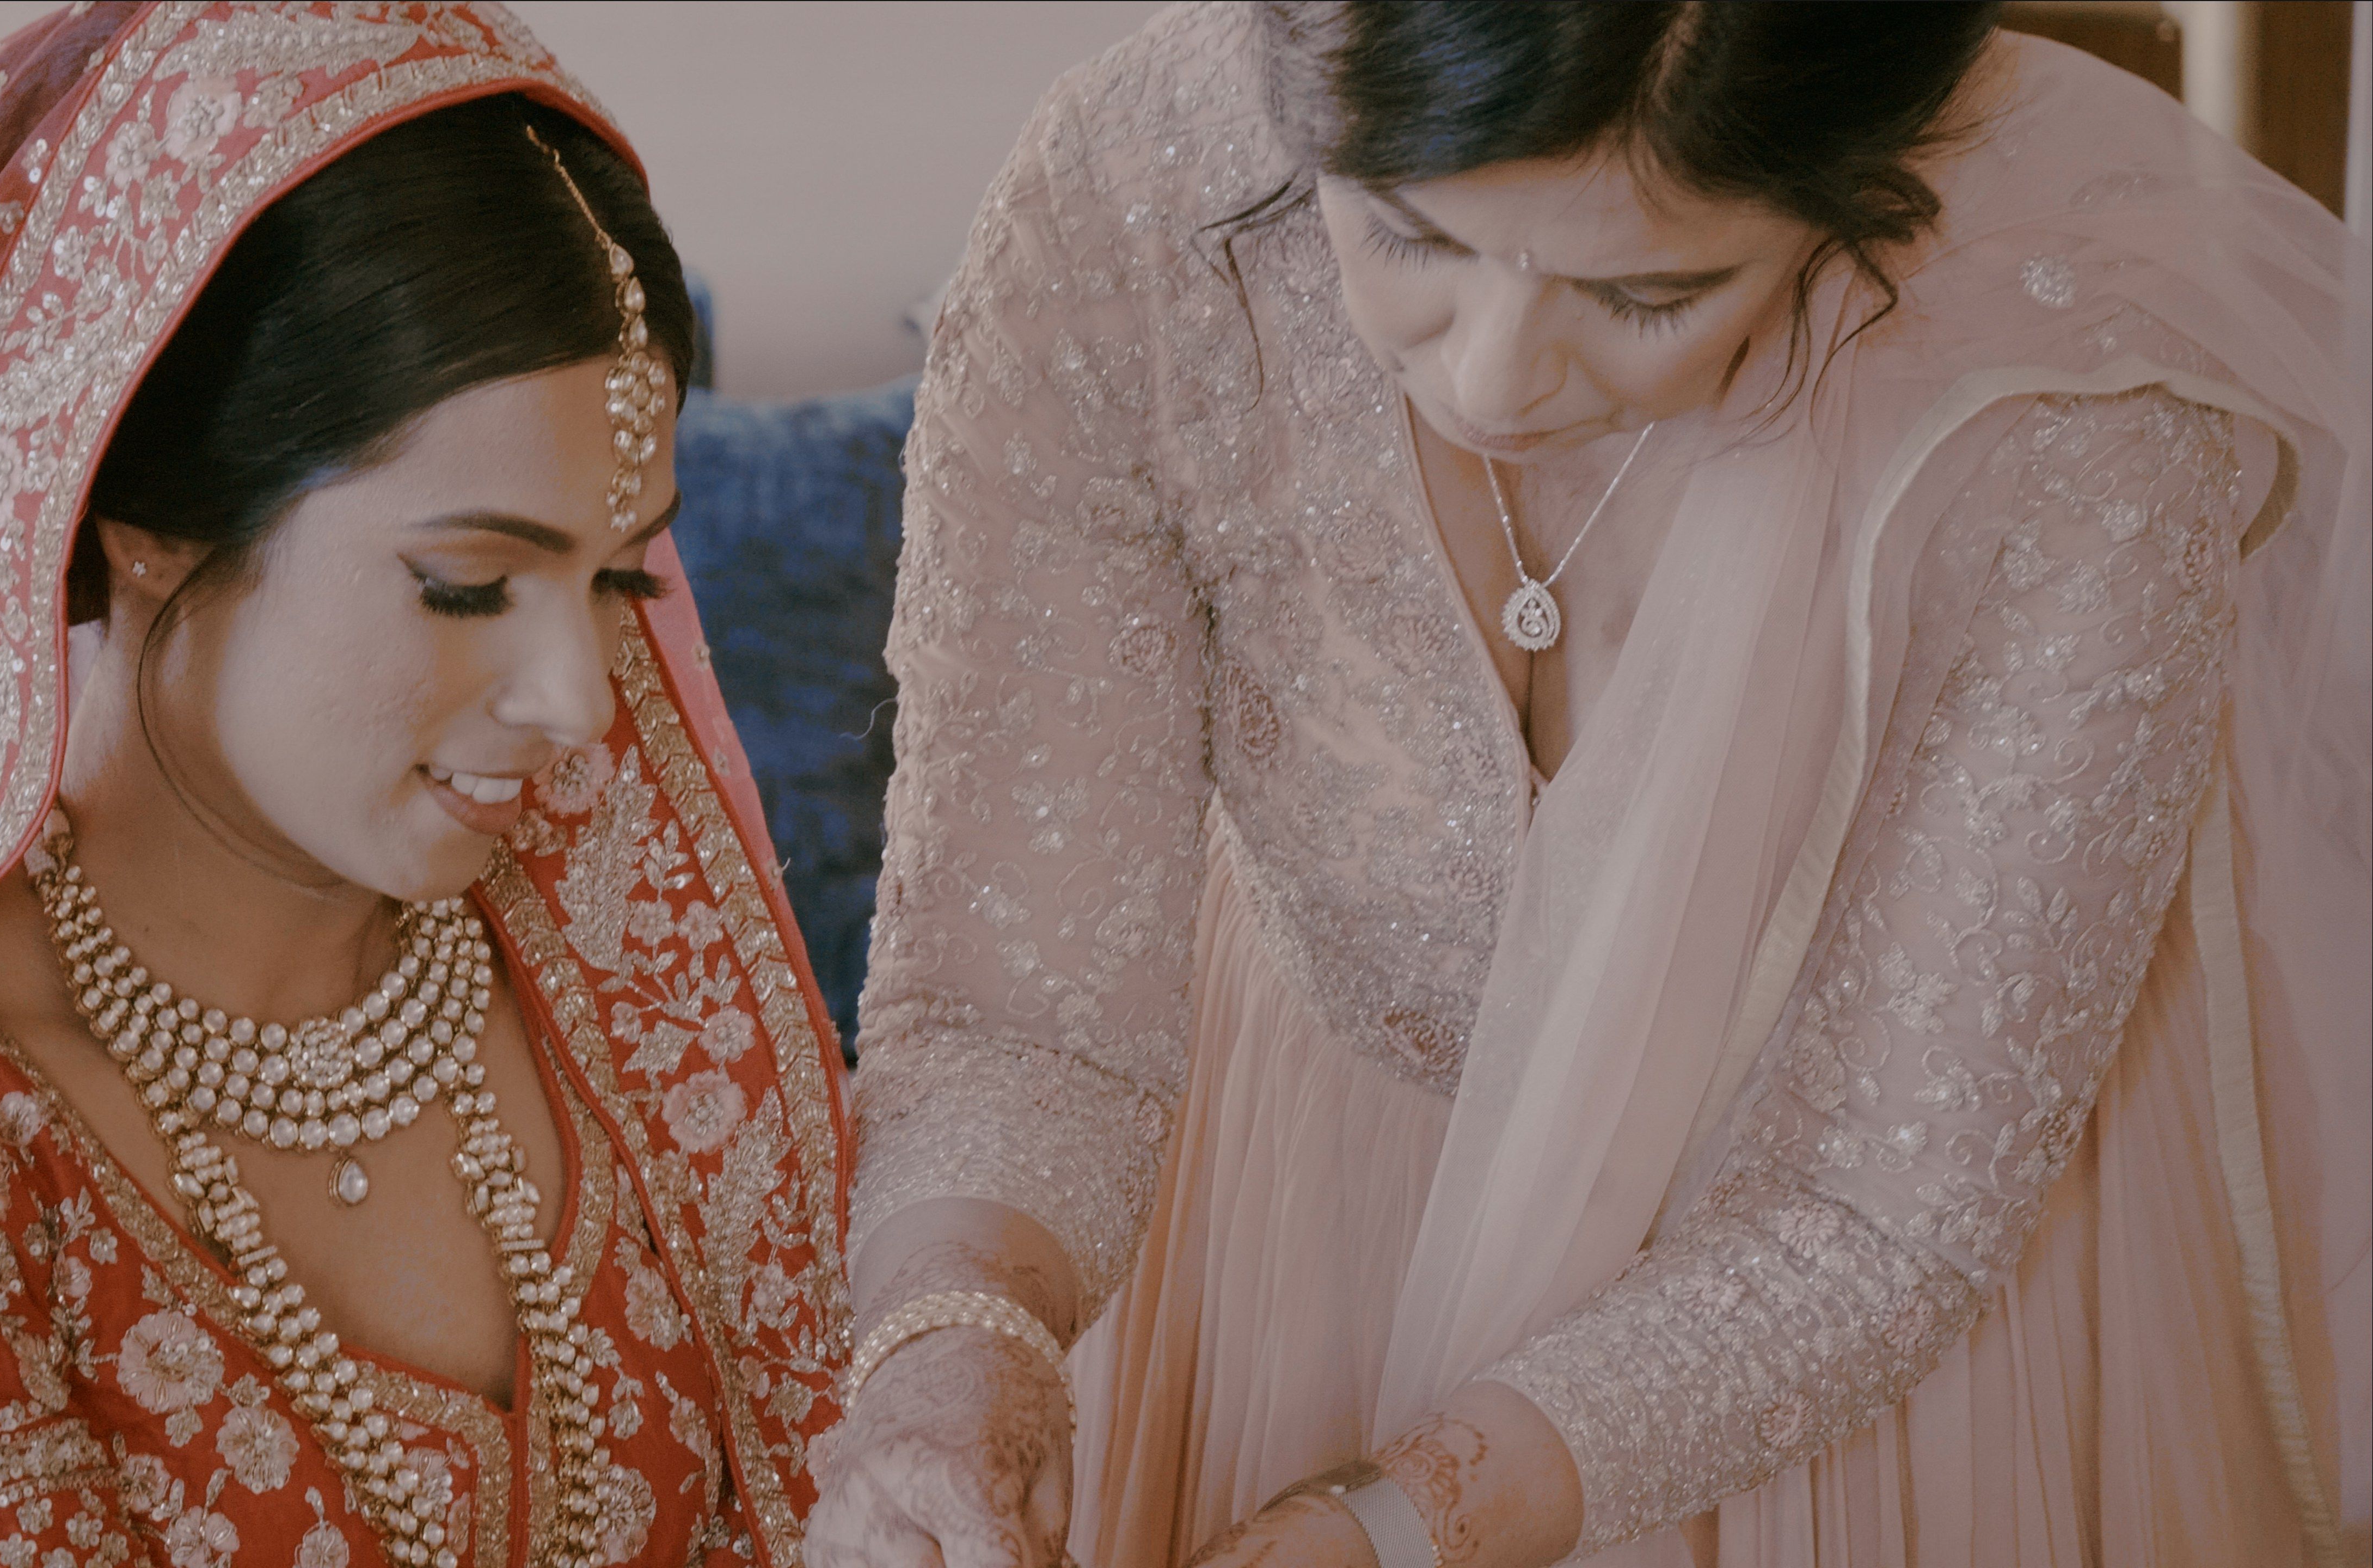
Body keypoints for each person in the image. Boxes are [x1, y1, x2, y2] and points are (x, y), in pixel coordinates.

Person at [812, 3, 2368, 1565]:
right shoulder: (1134, 200)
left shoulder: (2077, 387)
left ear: (1848, 185)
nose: (1489, 379)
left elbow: (1879, 1205)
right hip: (1306, 1219)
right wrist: (957, 1346)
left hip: (1873, 1300)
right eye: (1409, 237)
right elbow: (1023, 1009)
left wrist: (1405, 1528)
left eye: (1650, 290)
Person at [0, 5, 853, 1563]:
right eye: (468, 585)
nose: (580, 704)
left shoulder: (615, 973)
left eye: (616, 584)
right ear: (147, 518)